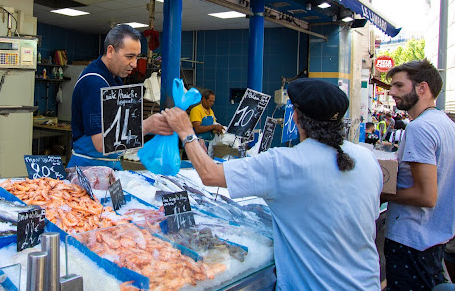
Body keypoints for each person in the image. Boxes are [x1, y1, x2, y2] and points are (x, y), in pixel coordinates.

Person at [160, 78, 383, 290]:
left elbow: (210, 175)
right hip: (366, 284)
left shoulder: (285, 163)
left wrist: (186, 132)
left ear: (295, 118)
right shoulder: (367, 158)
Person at [382, 59, 455, 290]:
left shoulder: (419, 128)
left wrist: (383, 193)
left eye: (399, 86)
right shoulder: (445, 123)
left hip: (411, 241)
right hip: (433, 239)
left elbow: (426, 195)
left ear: (422, 87)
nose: (392, 92)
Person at [68, 24, 172, 169]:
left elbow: (116, 126)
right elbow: (99, 142)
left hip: (109, 163)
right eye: (129, 56)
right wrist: (147, 126)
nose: (135, 64)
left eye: (137, 57)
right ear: (110, 51)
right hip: (89, 167)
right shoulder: (94, 83)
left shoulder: (114, 79)